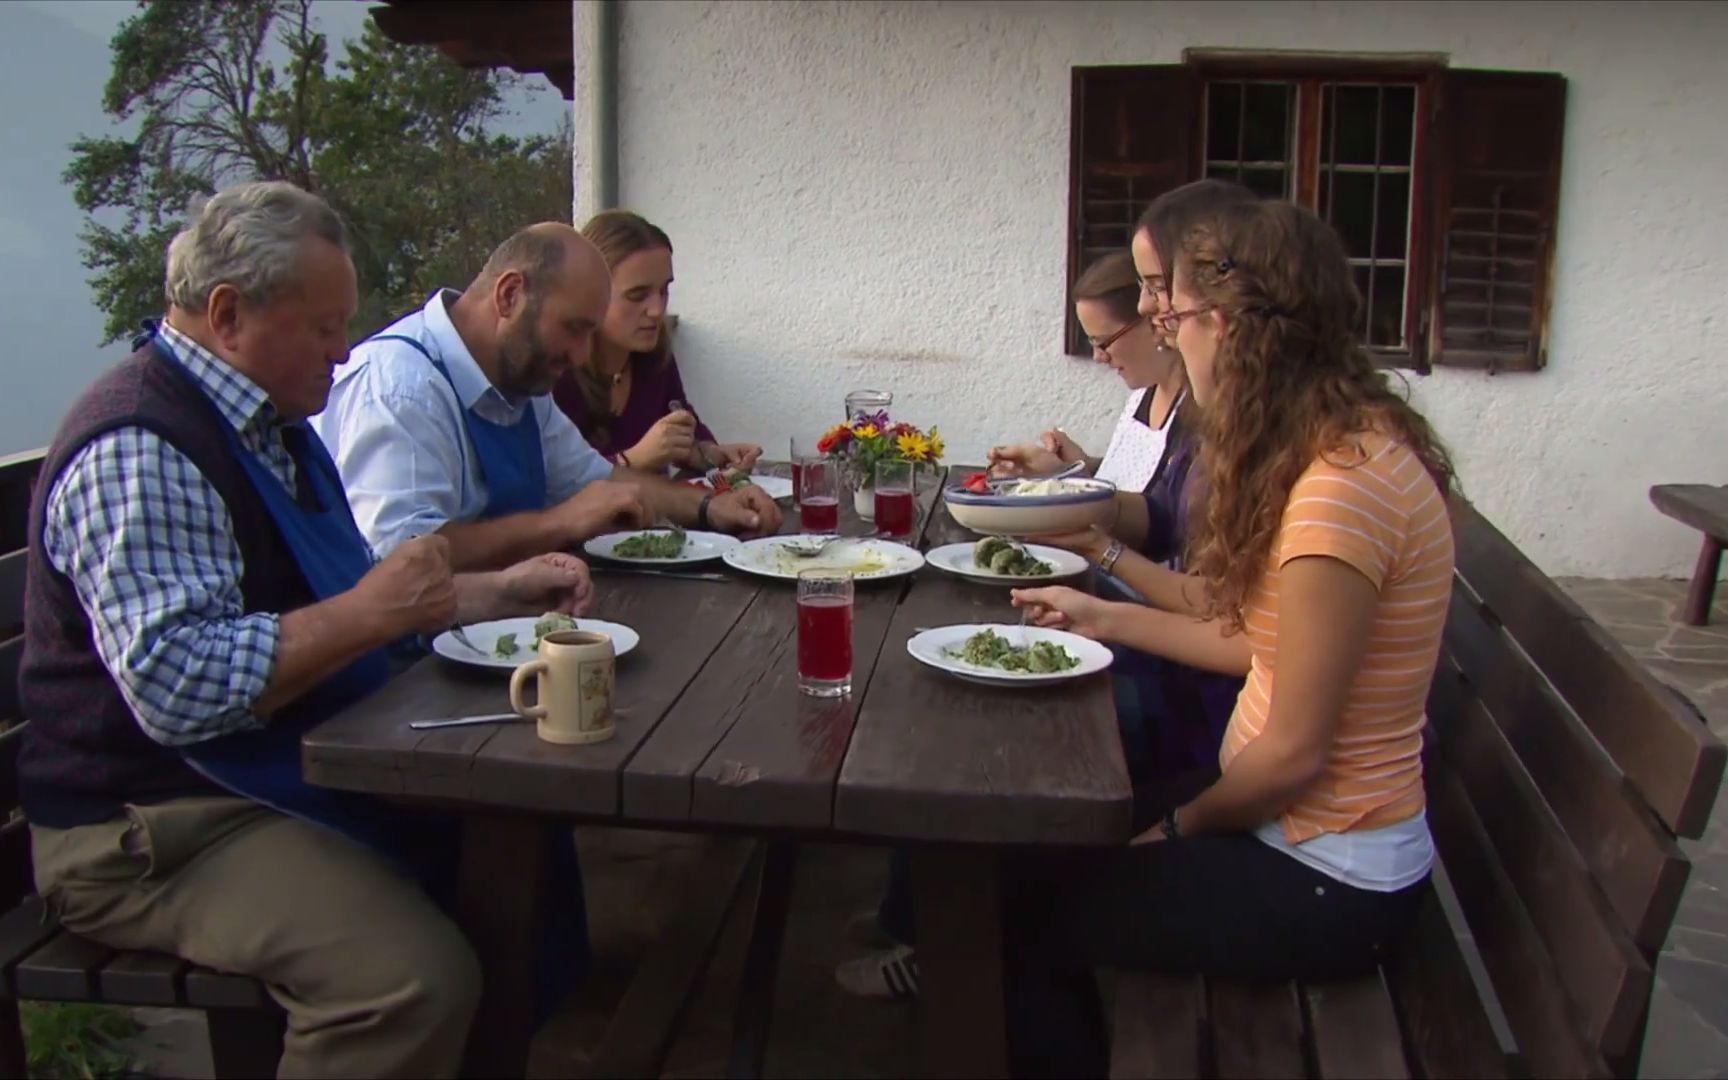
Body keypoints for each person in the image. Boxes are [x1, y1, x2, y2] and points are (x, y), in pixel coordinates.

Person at [17, 181, 601, 1077]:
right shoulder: (140, 444)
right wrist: (373, 612)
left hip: (258, 770)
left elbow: (346, 591)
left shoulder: (261, 423)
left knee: (509, 855)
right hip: (148, 821)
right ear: (227, 314)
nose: (343, 354)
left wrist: (494, 590)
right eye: (326, 328)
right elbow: (178, 688)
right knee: (407, 981)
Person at [1004, 197, 1455, 1075]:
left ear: (1231, 325)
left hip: (1329, 871)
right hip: (1292, 828)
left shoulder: (1340, 491)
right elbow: (1256, 643)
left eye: (1170, 314)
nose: (1167, 338)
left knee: (1026, 920)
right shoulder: (1335, 450)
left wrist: (1176, 830)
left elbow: (1293, 756)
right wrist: (1097, 613)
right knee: (1025, 844)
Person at [834, 183, 1256, 1002]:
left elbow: (1206, 595)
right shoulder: (1167, 407)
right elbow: (1145, 514)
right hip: (1147, 636)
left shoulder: (1224, 431)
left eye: (1155, 299)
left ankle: (945, 931)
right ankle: (919, 908)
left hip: (1181, 695)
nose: (1129, 329)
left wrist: (1088, 539)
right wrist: (1068, 488)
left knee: (989, 729)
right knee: (959, 693)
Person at [313, 222, 780, 571]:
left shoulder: (521, 381)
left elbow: (597, 481)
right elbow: (405, 557)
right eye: (574, 329)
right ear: (510, 295)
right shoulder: (400, 388)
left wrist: (706, 508)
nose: (579, 356)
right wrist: (559, 524)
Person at [553, 210, 762, 474]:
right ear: (590, 293)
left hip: (655, 513)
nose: (656, 309)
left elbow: (685, 427)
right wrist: (631, 460)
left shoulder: (652, 353)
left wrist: (710, 454)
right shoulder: (557, 374)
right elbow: (550, 485)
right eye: (637, 295)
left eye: (663, 290)